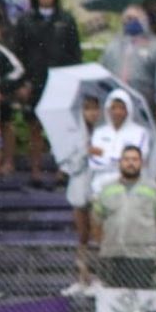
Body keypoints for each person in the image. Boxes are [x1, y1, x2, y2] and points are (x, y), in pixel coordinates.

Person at [14, 0, 82, 187]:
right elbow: (19, 53)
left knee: (61, 129)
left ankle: (62, 170)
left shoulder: (66, 19)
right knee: (35, 127)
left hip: (60, 80)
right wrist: (22, 82)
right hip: (34, 80)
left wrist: (73, 80)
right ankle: (36, 172)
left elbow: (75, 53)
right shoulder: (25, 20)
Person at [94, 145, 156, 290]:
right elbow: (97, 221)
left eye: (135, 159)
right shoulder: (106, 189)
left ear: (142, 163)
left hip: (142, 256)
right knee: (112, 299)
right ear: (120, 163)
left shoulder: (155, 189)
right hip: (112, 255)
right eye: (126, 159)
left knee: (140, 299)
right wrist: (104, 246)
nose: (130, 163)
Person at [99, 6, 156, 131]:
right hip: (117, 100)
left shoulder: (155, 45)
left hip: (143, 100)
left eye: (134, 18)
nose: (130, 22)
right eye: (127, 19)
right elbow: (101, 71)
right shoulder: (113, 45)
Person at [62, 94, 103, 292]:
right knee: (83, 235)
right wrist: (86, 151)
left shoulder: (105, 132)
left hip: (98, 187)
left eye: (95, 108)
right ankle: (82, 276)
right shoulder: (73, 134)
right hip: (79, 187)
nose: (92, 113)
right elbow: (69, 164)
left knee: (98, 232)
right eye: (87, 109)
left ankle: (98, 276)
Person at [90, 91, 151, 201]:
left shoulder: (140, 133)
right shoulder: (99, 133)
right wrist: (121, 158)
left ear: (128, 110)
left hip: (130, 188)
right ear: (108, 110)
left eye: (122, 108)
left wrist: (105, 155)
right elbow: (93, 162)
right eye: (114, 108)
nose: (117, 112)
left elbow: (137, 159)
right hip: (100, 187)